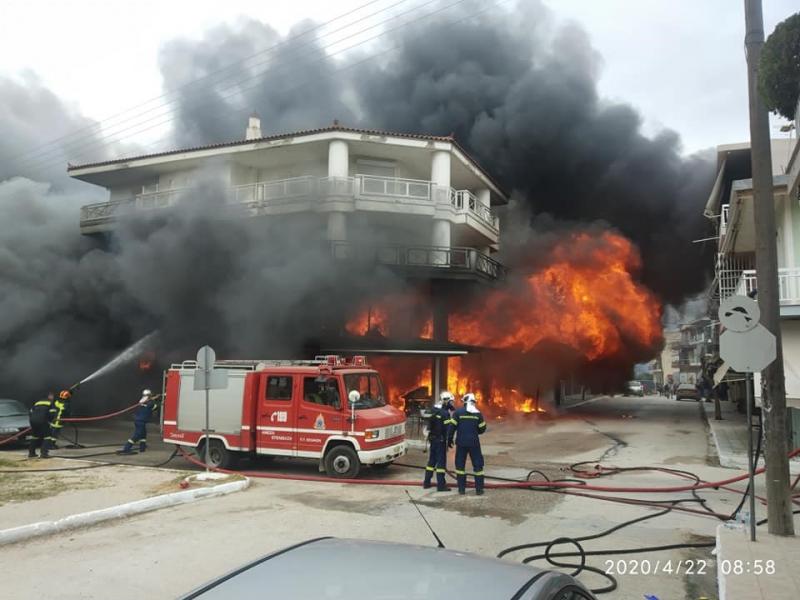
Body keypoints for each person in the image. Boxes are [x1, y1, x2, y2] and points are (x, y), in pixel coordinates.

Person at [447, 392, 487, 496]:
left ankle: (461, 489)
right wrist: (474, 431)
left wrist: (449, 439)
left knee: (460, 466)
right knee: (478, 466)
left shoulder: (458, 413)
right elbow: (482, 429)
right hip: (474, 443)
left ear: (464, 402)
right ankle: (479, 490)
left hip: (461, 443)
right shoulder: (478, 414)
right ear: (473, 402)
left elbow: (451, 428)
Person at [423, 391, 454, 492]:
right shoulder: (445, 414)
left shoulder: (434, 410)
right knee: (441, 463)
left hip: (432, 439)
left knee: (432, 461)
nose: (452, 404)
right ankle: (441, 486)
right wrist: (449, 440)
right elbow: (448, 430)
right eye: (451, 402)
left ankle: (426, 483)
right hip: (440, 441)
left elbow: (429, 424)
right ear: (446, 401)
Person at [119, 389, 161, 454]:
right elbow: (156, 407)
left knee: (143, 434)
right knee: (137, 435)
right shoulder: (150, 403)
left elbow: (148, 401)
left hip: (138, 420)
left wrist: (154, 398)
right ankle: (126, 448)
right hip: (141, 421)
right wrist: (159, 400)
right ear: (149, 395)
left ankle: (142, 448)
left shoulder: (142, 401)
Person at [28, 392, 57, 458]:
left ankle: (31, 453)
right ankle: (44, 454)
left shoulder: (37, 403)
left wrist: (33, 420)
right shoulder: (51, 403)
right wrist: (49, 421)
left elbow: (30, 412)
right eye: (52, 396)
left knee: (34, 436)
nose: (53, 397)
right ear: (49, 396)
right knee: (47, 437)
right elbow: (52, 414)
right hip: (43, 421)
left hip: (33, 421)